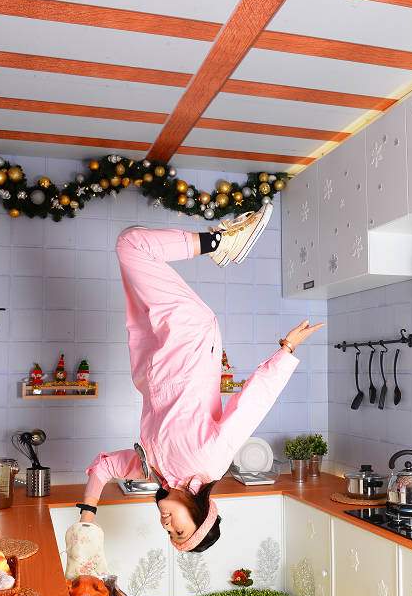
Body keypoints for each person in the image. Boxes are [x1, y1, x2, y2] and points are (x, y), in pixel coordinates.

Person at [77, 204, 323, 553]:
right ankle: (219, 242)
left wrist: (87, 517)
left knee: (133, 244)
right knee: (132, 245)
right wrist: (286, 351)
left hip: (154, 351)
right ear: (200, 513)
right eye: (179, 532)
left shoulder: (153, 471)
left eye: (170, 535)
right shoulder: (210, 461)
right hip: (189, 338)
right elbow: (252, 404)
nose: (167, 527)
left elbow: (104, 468)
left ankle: (217, 244)